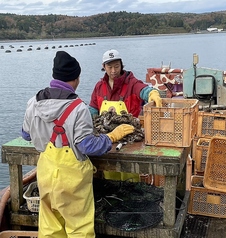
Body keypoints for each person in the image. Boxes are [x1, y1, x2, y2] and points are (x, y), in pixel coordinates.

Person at [21, 51, 134, 238]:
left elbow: (26, 134)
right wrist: (111, 137)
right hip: (71, 180)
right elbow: (87, 146)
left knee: (50, 227)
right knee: (79, 228)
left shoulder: (33, 102)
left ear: (55, 76)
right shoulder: (77, 107)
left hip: (46, 174)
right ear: (76, 78)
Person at [88, 49, 162, 118]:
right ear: (104, 67)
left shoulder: (131, 83)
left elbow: (142, 89)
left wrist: (151, 93)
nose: (113, 71)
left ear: (121, 65)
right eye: (110, 67)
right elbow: (93, 108)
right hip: (105, 131)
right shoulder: (99, 86)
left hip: (130, 130)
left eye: (116, 66)